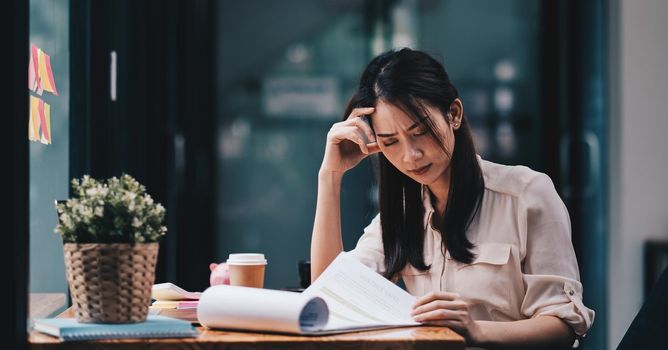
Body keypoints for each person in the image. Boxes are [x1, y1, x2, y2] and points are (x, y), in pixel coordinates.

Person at [310, 48, 594, 349]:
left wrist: (474, 330)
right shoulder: (405, 212)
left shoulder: (527, 194)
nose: (410, 155)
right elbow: (330, 296)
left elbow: (563, 327)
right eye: (390, 141)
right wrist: (330, 176)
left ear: (454, 114)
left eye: (420, 132)